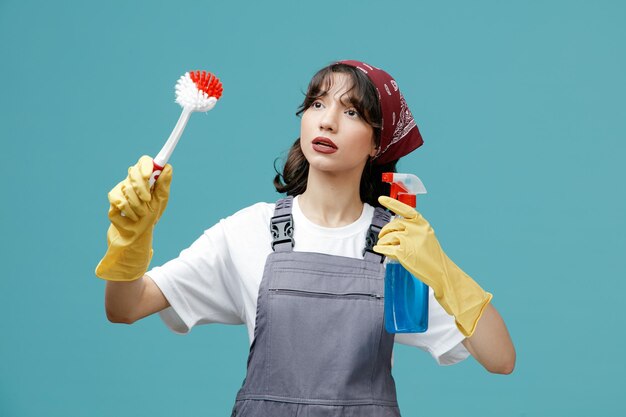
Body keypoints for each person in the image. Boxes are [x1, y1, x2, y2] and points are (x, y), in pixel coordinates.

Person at [96, 60, 516, 416]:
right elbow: (127, 307)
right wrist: (132, 237)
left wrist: (441, 270)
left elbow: (501, 360)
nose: (327, 120)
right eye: (317, 103)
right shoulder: (248, 231)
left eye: (351, 112)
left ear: (377, 143)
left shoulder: (399, 247)